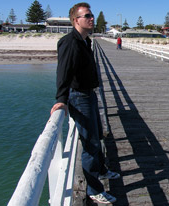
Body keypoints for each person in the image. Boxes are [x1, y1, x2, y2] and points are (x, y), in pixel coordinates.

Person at [50, 2, 119, 204]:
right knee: (90, 143)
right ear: (75, 20)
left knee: (97, 134)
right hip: (79, 97)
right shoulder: (70, 42)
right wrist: (61, 99)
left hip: (88, 94)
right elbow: (63, 72)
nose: (91, 19)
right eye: (87, 16)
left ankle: (102, 170)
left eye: (91, 15)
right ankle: (93, 189)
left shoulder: (85, 41)